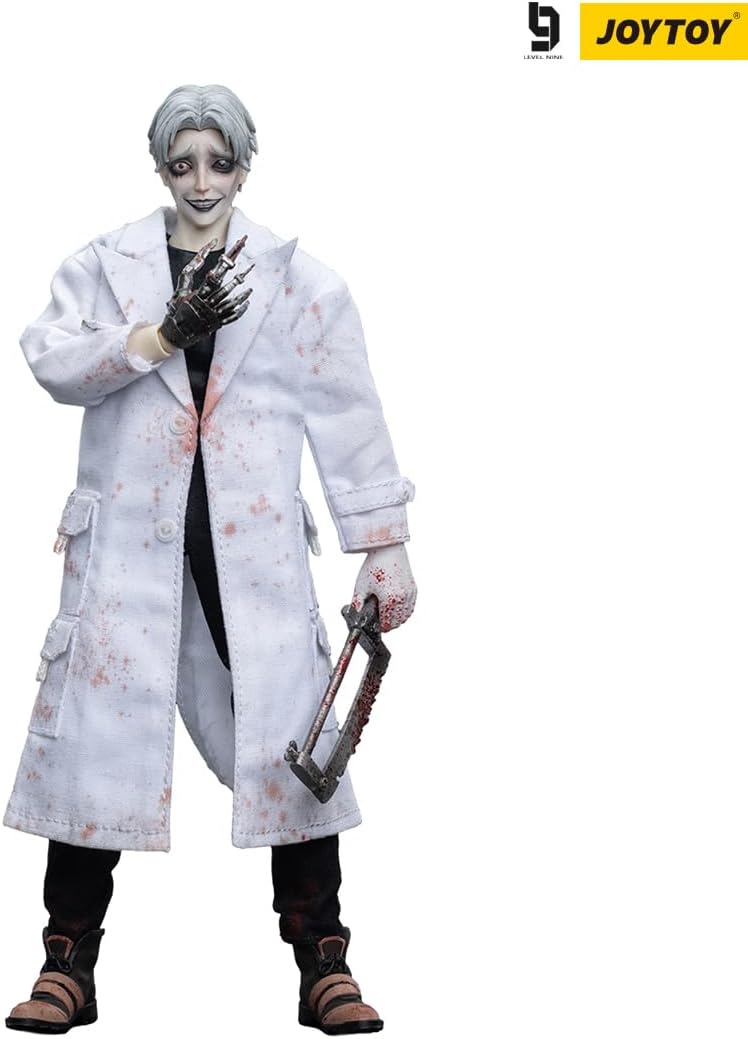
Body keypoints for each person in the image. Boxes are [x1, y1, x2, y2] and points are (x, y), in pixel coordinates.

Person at [4, 83, 416, 1035]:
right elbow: (51, 358)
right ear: (159, 167)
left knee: (294, 744)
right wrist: (160, 335)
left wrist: (383, 544)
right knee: (98, 743)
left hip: (250, 549)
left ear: (243, 166)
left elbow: (349, 411)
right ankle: (67, 958)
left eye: (218, 162)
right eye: (182, 162)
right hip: (129, 549)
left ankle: (323, 957)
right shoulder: (105, 267)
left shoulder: (299, 283)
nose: (201, 181)